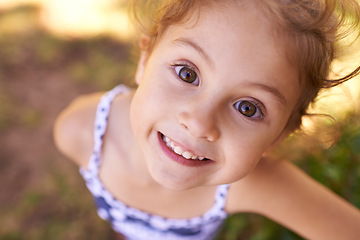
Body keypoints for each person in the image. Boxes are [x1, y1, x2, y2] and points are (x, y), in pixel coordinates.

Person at [53, 0, 360, 239]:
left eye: (247, 108)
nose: (200, 123)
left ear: (280, 136)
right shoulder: (81, 132)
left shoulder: (252, 184)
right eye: (187, 74)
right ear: (146, 59)